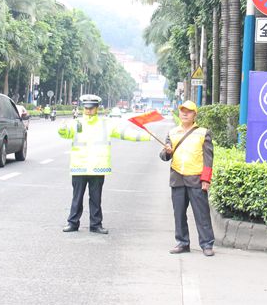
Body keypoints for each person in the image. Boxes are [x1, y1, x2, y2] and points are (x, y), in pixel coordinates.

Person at [59, 94, 150, 234]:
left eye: (91, 108)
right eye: (86, 108)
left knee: (96, 199)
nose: (89, 110)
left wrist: (146, 136)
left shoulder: (106, 124)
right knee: (77, 198)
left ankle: (96, 225)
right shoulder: (76, 123)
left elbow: (125, 133)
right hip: (79, 166)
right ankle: (72, 223)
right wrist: (62, 128)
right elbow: (65, 134)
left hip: (97, 167)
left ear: (97, 108)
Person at [159, 100, 215, 256]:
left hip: (196, 179)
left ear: (194, 115)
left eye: (189, 111)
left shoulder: (203, 133)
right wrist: (167, 152)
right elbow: (163, 156)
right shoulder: (172, 133)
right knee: (179, 214)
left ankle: (207, 244)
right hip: (177, 178)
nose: (185, 114)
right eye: (182, 111)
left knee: (202, 214)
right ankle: (182, 243)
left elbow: (208, 158)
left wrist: (206, 179)